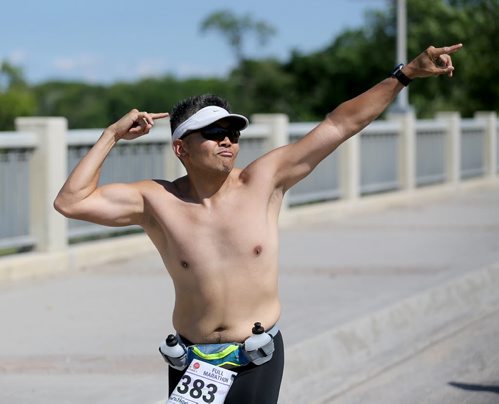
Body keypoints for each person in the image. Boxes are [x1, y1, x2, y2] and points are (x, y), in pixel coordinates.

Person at [54, 43, 462, 403]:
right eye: (213, 133)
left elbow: (339, 125)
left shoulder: (263, 181)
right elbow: (71, 202)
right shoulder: (156, 201)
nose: (227, 139)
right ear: (182, 148)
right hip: (190, 362)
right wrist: (111, 134)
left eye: (232, 130)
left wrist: (405, 74)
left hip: (255, 357)